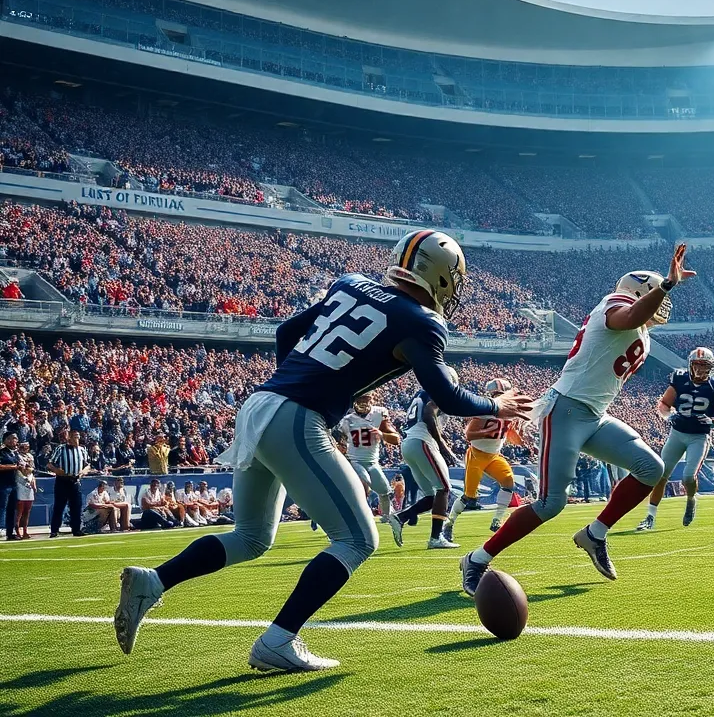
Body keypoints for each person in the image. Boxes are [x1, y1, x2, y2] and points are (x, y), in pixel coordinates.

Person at [115, 230, 531, 673]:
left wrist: (300, 388)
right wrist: (496, 405)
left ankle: (153, 581)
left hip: (260, 404)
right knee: (357, 538)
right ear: (443, 278)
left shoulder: (350, 282)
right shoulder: (422, 322)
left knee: (252, 537)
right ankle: (279, 640)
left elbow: (287, 332)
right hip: (295, 415)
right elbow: (446, 398)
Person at [461, 243, 694, 595]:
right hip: (566, 409)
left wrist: (662, 290)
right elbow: (627, 318)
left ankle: (594, 534)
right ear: (639, 291)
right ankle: (477, 559)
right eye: (656, 292)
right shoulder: (615, 304)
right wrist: (666, 285)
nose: (663, 303)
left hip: (594, 414)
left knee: (651, 467)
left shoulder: (642, 330)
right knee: (551, 502)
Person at [637, 348, 714, 531]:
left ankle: (690, 499)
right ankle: (650, 516)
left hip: (699, 436)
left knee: (689, 477)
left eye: (704, 365)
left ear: (711, 367)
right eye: (696, 364)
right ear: (690, 364)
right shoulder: (680, 378)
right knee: (661, 475)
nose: (699, 369)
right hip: (677, 433)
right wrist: (668, 416)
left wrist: (712, 422)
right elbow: (664, 403)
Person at [445, 378, 522, 541]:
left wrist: (518, 437)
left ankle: (497, 521)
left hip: (494, 455)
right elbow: (469, 435)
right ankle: (448, 524)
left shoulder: (509, 412)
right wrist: (487, 434)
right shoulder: (486, 409)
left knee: (508, 482)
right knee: (469, 496)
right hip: (477, 454)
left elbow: (509, 434)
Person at [389, 386, 459, 549]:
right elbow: (428, 413)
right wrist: (442, 445)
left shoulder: (420, 394)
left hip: (409, 443)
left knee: (432, 496)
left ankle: (401, 517)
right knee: (444, 488)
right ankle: (436, 537)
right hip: (422, 441)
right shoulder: (438, 391)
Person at [337, 392, 400, 524]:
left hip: (372, 462)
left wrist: (381, 434)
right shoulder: (347, 420)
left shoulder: (379, 413)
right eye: (359, 398)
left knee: (384, 491)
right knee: (362, 483)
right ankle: (355, 518)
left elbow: (396, 439)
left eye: (365, 398)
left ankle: (387, 516)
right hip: (354, 460)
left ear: (371, 398)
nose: (363, 402)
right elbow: (340, 444)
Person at [48, 430, 91, 537]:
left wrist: (83, 471)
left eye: (78, 436)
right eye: (75, 437)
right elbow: (50, 464)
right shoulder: (61, 448)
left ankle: (76, 529)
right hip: (63, 480)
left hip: (75, 480)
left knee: (76, 506)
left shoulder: (82, 450)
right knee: (59, 506)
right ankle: (54, 530)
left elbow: (88, 465)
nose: (77, 439)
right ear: (69, 438)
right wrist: (57, 471)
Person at [0, 431, 20, 541]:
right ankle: (1, 528)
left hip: (13, 484)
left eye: (16, 438)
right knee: (2, 507)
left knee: (12, 509)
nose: (15, 440)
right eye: (12, 438)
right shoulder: (2, 453)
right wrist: (14, 467)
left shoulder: (15, 453)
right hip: (3, 484)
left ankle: (10, 531)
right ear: (6, 440)